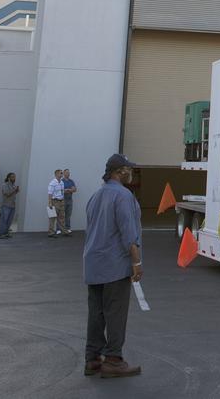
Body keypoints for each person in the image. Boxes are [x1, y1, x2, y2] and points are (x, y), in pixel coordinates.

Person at [83, 153, 143, 378]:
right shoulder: (123, 196)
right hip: (114, 265)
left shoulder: (96, 195)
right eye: (129, 169)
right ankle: (113, 360)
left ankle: (92, 359)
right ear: (120, 172)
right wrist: (136, 262)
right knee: (115, 313)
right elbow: (129, 234)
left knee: (96, 313)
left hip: (93, 263)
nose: (132, 173)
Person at [0, 173, 19, 239]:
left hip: (12, 205)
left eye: (14, 177)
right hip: (6, 205)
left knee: (9, 220)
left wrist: (16, 191)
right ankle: (1, 234)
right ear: (8, 178)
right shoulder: (5, 185)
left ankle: (6, 232)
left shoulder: (13, 185)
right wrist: (14, 190)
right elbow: (7, 194)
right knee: (4, 220)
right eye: (12, 177)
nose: (14, 178)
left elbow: (13, 194)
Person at [47, 168, 67, 237]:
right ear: (56, 174)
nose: (62, 174)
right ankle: (51, 232)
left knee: (62, 217)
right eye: (61, 173)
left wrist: (63, 200)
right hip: (55, 201)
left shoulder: (61, 182)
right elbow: (50, 193)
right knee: (53, 217)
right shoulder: (52, 183)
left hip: (61, 201)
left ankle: (63, 231)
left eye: (62, 173)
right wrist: (50, 202)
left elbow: (62, 191)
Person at [62, 168, 77, 235]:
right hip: (63, 200)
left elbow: (74, 189)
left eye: (69, 172)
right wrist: (69, 190)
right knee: (61, 215)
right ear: (64, 173)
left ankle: (68, 229)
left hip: (69, 200)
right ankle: (59, 229)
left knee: (68, 215)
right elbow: (61, 190)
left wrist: (68, 190)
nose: (68, 174)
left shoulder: (71, 181)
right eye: (66, 172)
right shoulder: (61, 181)